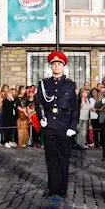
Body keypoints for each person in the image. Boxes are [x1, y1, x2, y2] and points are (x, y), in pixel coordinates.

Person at [35, 52, 78, 198]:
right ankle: (52, 187)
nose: (56, 66)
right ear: (51, 66)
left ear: (64, 66)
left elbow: (75, 107)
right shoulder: (43, 84)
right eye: (54, 64)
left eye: (59, 64)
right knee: (51, 158)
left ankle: (62, 188)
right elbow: (38, 103)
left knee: (63, 158)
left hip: (64, 125)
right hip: (49, 125)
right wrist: (41, 117)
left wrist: (72, 126)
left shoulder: (70, 85)